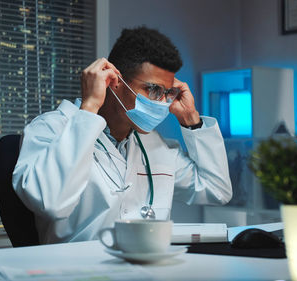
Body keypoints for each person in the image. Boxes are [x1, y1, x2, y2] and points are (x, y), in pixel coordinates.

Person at [12, 26, 232, 244]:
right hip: (78, 269)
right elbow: (50, 202)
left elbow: (216, 190)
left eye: (168, 93)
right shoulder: (51, 128)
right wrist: (89, 108)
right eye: (154, 90)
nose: (163, 103)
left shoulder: (155, 146)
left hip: (145, 266)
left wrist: (191, 120)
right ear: (115, 82)